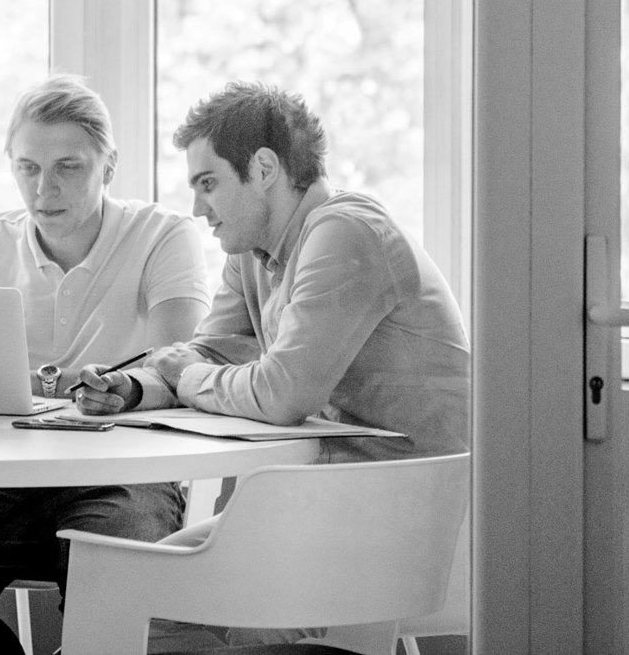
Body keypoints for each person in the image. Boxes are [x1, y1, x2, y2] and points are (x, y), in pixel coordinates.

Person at [73, 81, 470, 647]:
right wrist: (133, 390)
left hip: (400, 526)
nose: (196, 208)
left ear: (263, 168)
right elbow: (205, 355)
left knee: (138, 598)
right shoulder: (255, 252)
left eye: (207, 183)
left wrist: (186, 376)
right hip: (316, 501)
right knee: (122, 591)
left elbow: (281, 393)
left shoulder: (345, 232)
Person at [0, 75, 210, 655]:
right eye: (27, 167)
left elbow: (179, 364)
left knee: (116, 596)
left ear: (109, 167)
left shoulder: (164, 236)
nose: (44, 187)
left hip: (123, 474)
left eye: (68, 166)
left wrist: (130, 388)